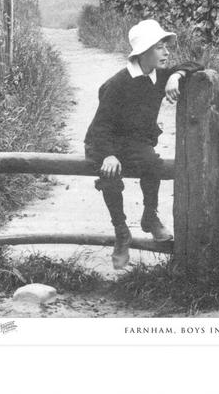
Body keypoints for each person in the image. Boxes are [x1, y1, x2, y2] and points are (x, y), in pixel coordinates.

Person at [84, 19, 200, 269]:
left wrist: (177, 76)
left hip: (135, 143)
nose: (167, 52)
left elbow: (196, 65)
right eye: (159, 47)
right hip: (104, 143)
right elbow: (101, 126)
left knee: (152, 163)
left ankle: (150, 215)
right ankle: (121, 231)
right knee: (110, 175)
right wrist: (108, 155)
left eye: (166, 47)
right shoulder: (117, 84)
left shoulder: (160, 76)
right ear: (143, 52)